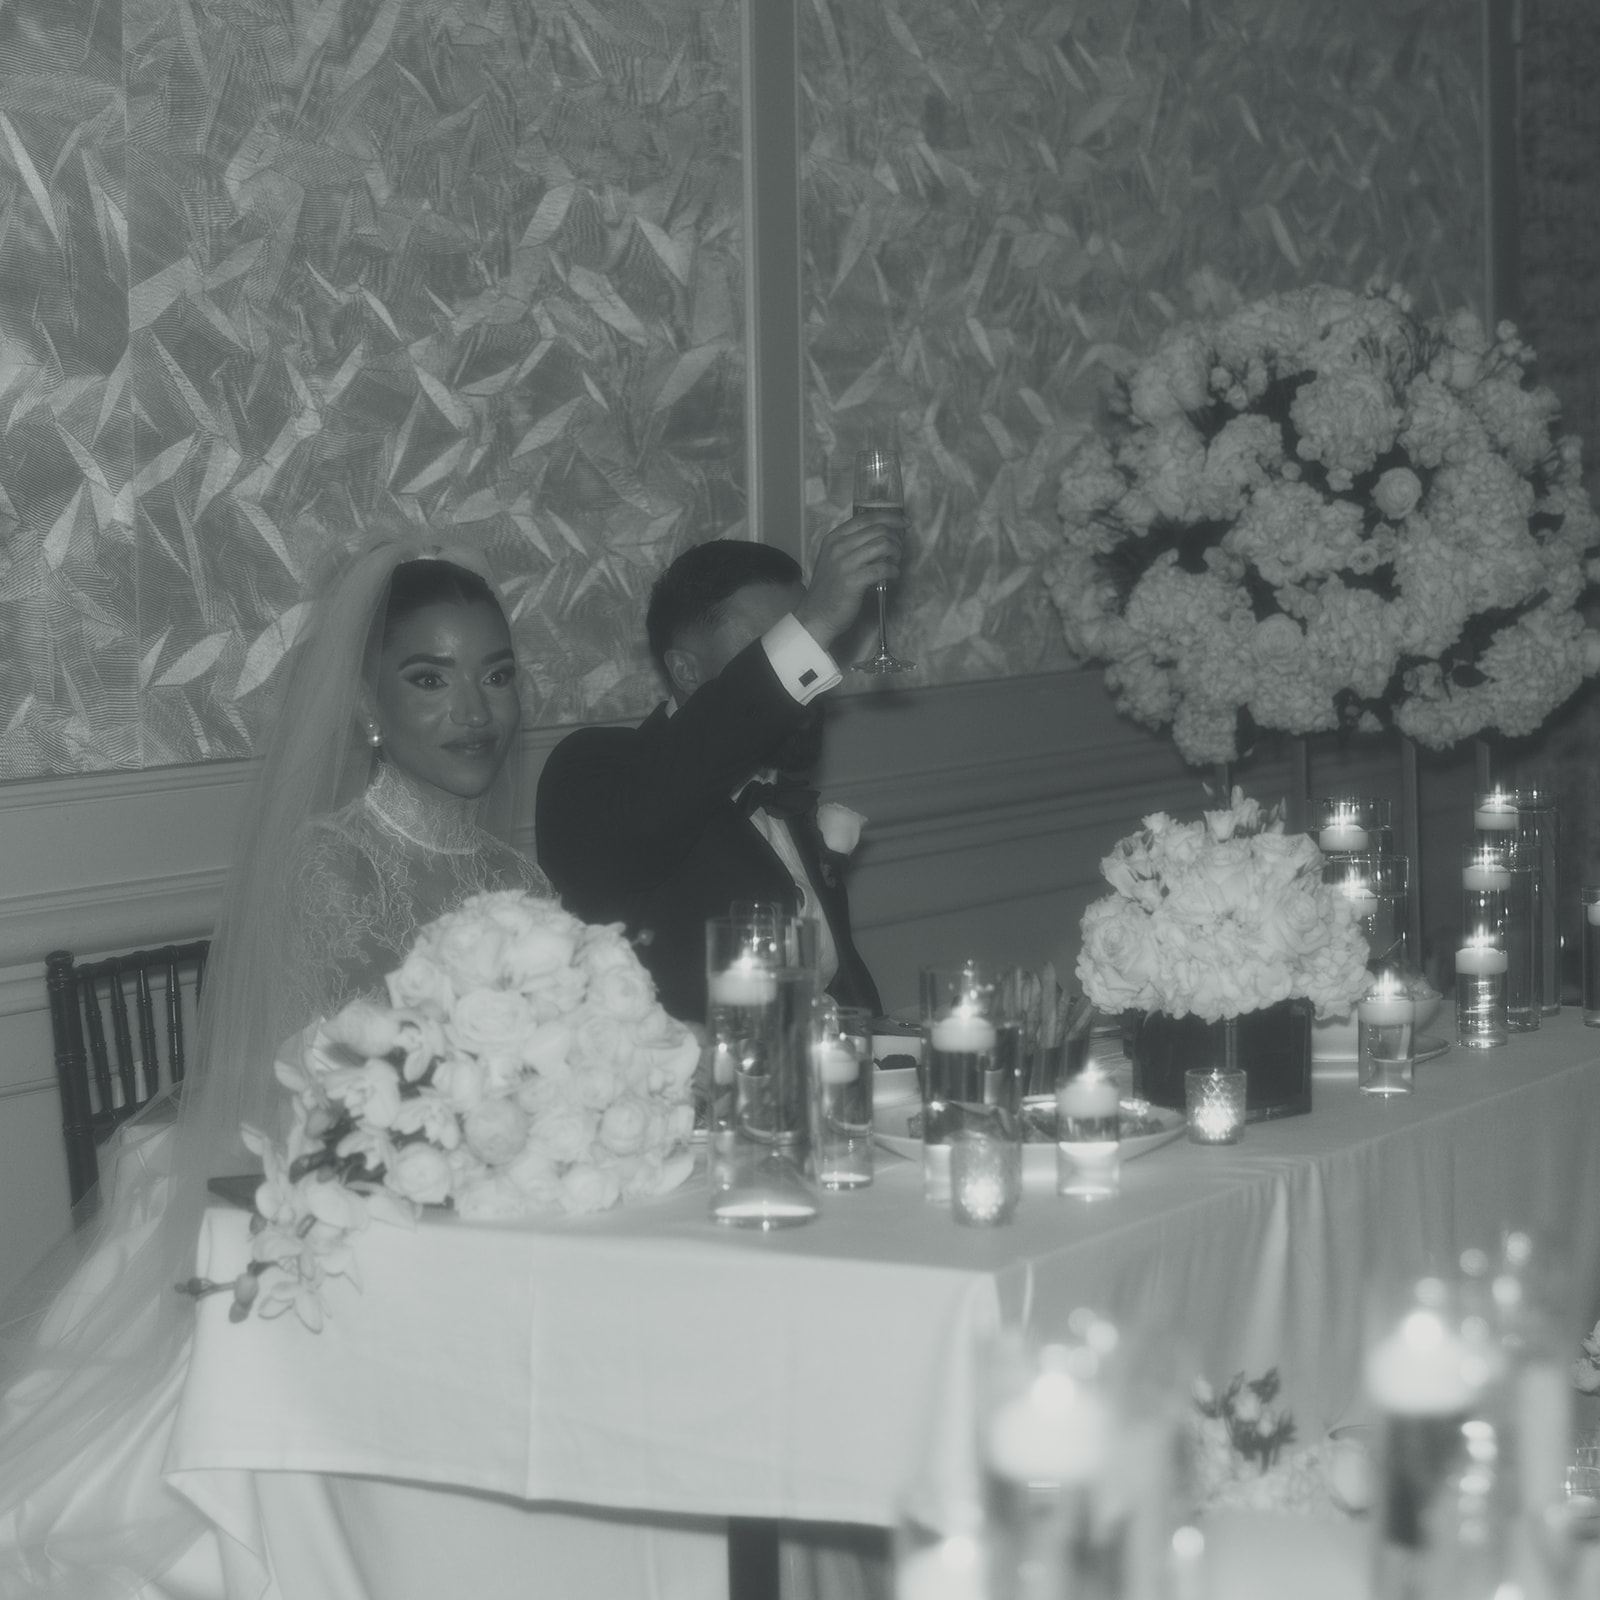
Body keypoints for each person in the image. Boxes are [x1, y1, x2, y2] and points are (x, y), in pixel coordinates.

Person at [0, 542, 556, 1596]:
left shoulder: (510, 872)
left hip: (476, 1224)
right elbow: (317, 1111)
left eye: (497, 671)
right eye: (430, 677)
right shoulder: (331, 863)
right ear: (366, 704)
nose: (476, 707)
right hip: (335, 1229)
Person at [535, 516, 903, 1023]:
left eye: (805, 642)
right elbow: (662, 800)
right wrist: (814, 620)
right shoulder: (598, 774)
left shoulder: (785, 793)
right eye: (774, 643)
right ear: (685, 669)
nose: (810, 669)